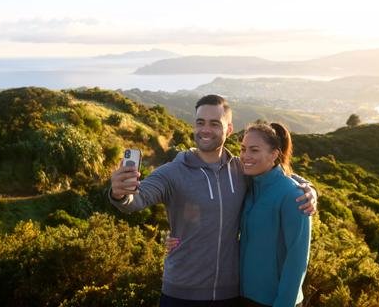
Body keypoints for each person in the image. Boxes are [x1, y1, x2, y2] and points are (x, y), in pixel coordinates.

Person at [109, 95, 317, 306]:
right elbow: (137, 199)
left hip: (230, 295)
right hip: (181, 294)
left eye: (214, 123)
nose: (205, 129)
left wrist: (309, 189)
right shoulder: (172, 173)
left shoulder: (240, 170)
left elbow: (275, 177)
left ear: (228, 130)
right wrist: (121, 193)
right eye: (200, 123)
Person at [239, 122, 311, 307]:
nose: (246, 156)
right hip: (243, 295)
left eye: (254, 150)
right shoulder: (247, 186)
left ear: (274, 154)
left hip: (276, 300)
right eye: (243, 149)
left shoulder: (294, 196)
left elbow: (298, 259)